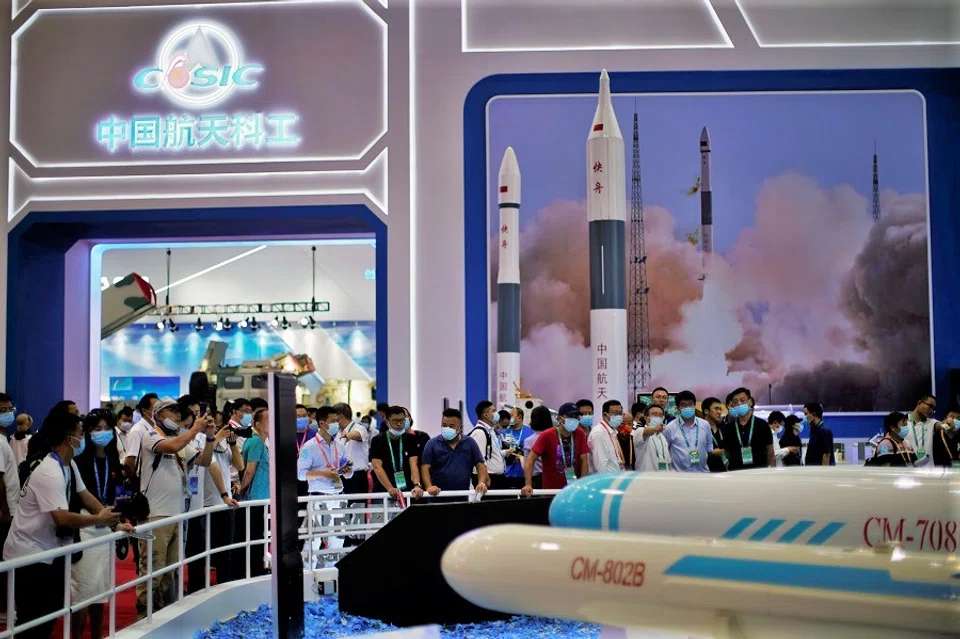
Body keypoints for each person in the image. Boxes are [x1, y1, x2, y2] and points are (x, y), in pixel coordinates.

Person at [4, 412, 126, 639]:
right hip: (29, 554)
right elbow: (61, 518)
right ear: (70, 439)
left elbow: (85, 495)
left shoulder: (68, 466)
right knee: (32, 621)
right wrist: (99, 519)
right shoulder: (50, 471)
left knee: (47, 617)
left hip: (47, 552)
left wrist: (114, 523)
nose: (85, 439)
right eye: (82, 434)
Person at [135, 398, 215, 617]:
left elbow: (205, 461)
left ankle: (158, 616)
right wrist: (194, 429)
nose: (178, 417)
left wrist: (209, 437)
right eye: (172, 412)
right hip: (155, 516)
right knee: (152, 572)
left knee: (168, 574)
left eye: (179, 413)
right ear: (158, 415)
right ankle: (143, 618)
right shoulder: (150, 435)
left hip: (176, 516)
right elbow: (170, 447)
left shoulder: (179, 440)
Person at [71, 410, 124, 639]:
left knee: (101, 589)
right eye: (97, 429)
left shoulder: (112, 458)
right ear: (87, 432)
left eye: (106, 428)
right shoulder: (79, 459)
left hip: (107, 528)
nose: (102, 433)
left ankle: (97, 635)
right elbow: (79, 496)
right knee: (83, 589)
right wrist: (103, 515)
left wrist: (114, 521)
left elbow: (115, 492)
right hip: (85, 525)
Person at [297, 412, 354, 562]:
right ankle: (309, 575)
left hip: (338, 496)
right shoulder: (308, 447)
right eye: (333, 421)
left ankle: (332, 572)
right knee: (314, 540)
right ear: (322, 423)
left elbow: (345, 468)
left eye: (338, 420)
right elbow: (301, 474)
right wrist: (323, 474)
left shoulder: (339, 445)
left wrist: (347, 471)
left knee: (338, 538)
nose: (337, 424)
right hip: (318, 496)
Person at [196, 406, 241, 587]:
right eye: (210, 422)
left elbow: (239, 465)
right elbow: (203, 458)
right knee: (203, 553)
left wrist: (232, 443)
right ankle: (200, 589)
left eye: (216, 423)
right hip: (205, 503)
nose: (213, 426)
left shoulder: (224, 442)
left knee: (226, 551)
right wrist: (217, 437)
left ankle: (225, 586)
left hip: (226, 502)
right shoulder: (199, 439)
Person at [521, 403, 589, 495]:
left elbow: (584, 459)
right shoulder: (547, 435)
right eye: (570, 416)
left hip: (574, 490)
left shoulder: (580, 434)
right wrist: (528, 484)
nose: (573, 419)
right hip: (551, 491)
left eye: (576, 416)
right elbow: (530, 459)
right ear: (560, 418)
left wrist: (583, 483)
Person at [421, 409, 489, 497]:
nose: (447, 428)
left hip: (462, 496)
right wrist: (429, 486)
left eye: (451, 426)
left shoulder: (470, 442)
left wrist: (481, 483)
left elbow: (480, 465)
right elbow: (425, 467)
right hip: (437, 496)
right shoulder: (432, 443)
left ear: (460, 428)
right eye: (444, 425)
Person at [239, 408, 271, 577]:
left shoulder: (256, 441)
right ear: (258, 424)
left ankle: (256, 568)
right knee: (256, 537)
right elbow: (249, 470)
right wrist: (242, 489)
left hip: (260, 499)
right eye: (268, 419)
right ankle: (255, 571)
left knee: (258, 536)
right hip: (256, 499)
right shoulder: (257, 442)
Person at [369, 406, 424, 498]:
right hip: (384, 491)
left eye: (402, 420)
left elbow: (413, 464)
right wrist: (390, 488)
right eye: (395, 421)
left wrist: (417, 485)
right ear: (387, 422)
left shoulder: (411, 439)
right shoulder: (377, 440)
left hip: (406, 491)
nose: (399, 424)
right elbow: (377, 467)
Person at [722, 388, 774, 470]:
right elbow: (726, 453)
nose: (739, 404)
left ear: (749, 401)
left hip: (759, 472)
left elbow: (770, 452)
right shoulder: (728, 428)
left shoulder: (762, 425)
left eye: (742, 400)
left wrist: (772, 472)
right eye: (735, 402)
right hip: (736, 473)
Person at [661, 390, 712, 472]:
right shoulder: (669, 428)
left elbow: (709, 449)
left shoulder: (705, 425)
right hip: (680, 477)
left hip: (703, 474)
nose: (688, 407)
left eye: (690, 404)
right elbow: (665, 452)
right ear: (678, 408)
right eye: (683, 405)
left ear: (695, 406)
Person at [469, 401, 506, 489]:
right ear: (486, 415)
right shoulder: (479, 432)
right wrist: (485, 478)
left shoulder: (490, 430)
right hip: (488, 480)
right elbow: (479, 459)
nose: (496, 414)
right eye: (493, 411)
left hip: (496, 479)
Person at [588, 399, 626, 473]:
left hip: (614, 477)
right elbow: (600, 465)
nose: (618, 416)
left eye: (620, 413)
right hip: (605, 480)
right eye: (615, 413)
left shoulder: (611, 432)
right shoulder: (599, 433)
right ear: (605, 415)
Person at [634, 404, 673, 472]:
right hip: (646, 478)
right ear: (646, 418)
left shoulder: (662, 437)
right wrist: (655, 428)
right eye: (654, 414)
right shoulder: (640, 431)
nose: (658, 417)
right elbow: (646, 432)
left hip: (663, 477)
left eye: (660, 415)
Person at [904, 393, 938, 467]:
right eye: (930, 406)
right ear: (919, 403)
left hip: (929, 473)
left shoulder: (932, 423)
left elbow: (943, 425)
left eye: (934, 409)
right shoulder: (902, 422)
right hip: (909, 473)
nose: (931, 411)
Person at [500, 407, 530, 489]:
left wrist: (521, 454)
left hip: (523, 474)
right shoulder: (503, 432)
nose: (509, 418)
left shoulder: (529, 432)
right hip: (507, 474)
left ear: (519, 418)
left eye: (511, 415)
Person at [523, 406, 550, 488]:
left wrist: (528, 484)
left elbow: (527, 464)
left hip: (536, 479)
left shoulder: (529, 441)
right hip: (552, 477)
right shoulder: (554, 437)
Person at [802, 402, 835, 466]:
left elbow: (826, 455)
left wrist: (823, 474)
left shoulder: (824, 431)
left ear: (813, 414)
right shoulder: (814, 430)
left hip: (820, 473)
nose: (804, 417)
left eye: (806, 414)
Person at [701, 397, 727, 473]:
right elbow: (693, 453)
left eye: (720, 409)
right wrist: (710, 453)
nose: (719, 412)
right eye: (716, 409)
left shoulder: (723, 428)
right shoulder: (698, 429)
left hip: (723, 470)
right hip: (706, 471)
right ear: (706, 411)